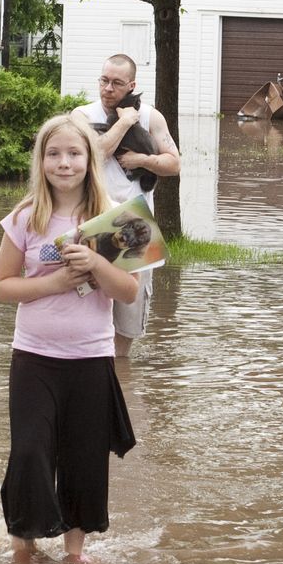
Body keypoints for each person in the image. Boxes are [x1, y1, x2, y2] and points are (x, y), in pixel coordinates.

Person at [0, 114, 140, 564]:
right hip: (34, 357)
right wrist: (54, 284)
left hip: (92, 359)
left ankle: (75, 553)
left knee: (84, 457)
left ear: (89, 159)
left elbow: (128, 292)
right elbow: (0, 286)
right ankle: (24, 546)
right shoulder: (24, 217)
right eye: (53, 154)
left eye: (74, 153)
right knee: (31, 452)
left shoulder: (116, 216)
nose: (64, 162)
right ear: (41, 161)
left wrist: (96, 265)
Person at [72, 54, 180, 357]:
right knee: (85, 305)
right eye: (104, 81)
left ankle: (121, 376)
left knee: (129, 318)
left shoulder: (151, 116)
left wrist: (142, 160)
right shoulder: (81, 115)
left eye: (117, 83)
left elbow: (174, 164)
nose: (108, 88)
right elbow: (92, 155)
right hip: (91, 219)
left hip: (136, 224)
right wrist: (124, 123)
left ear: (132, 85)